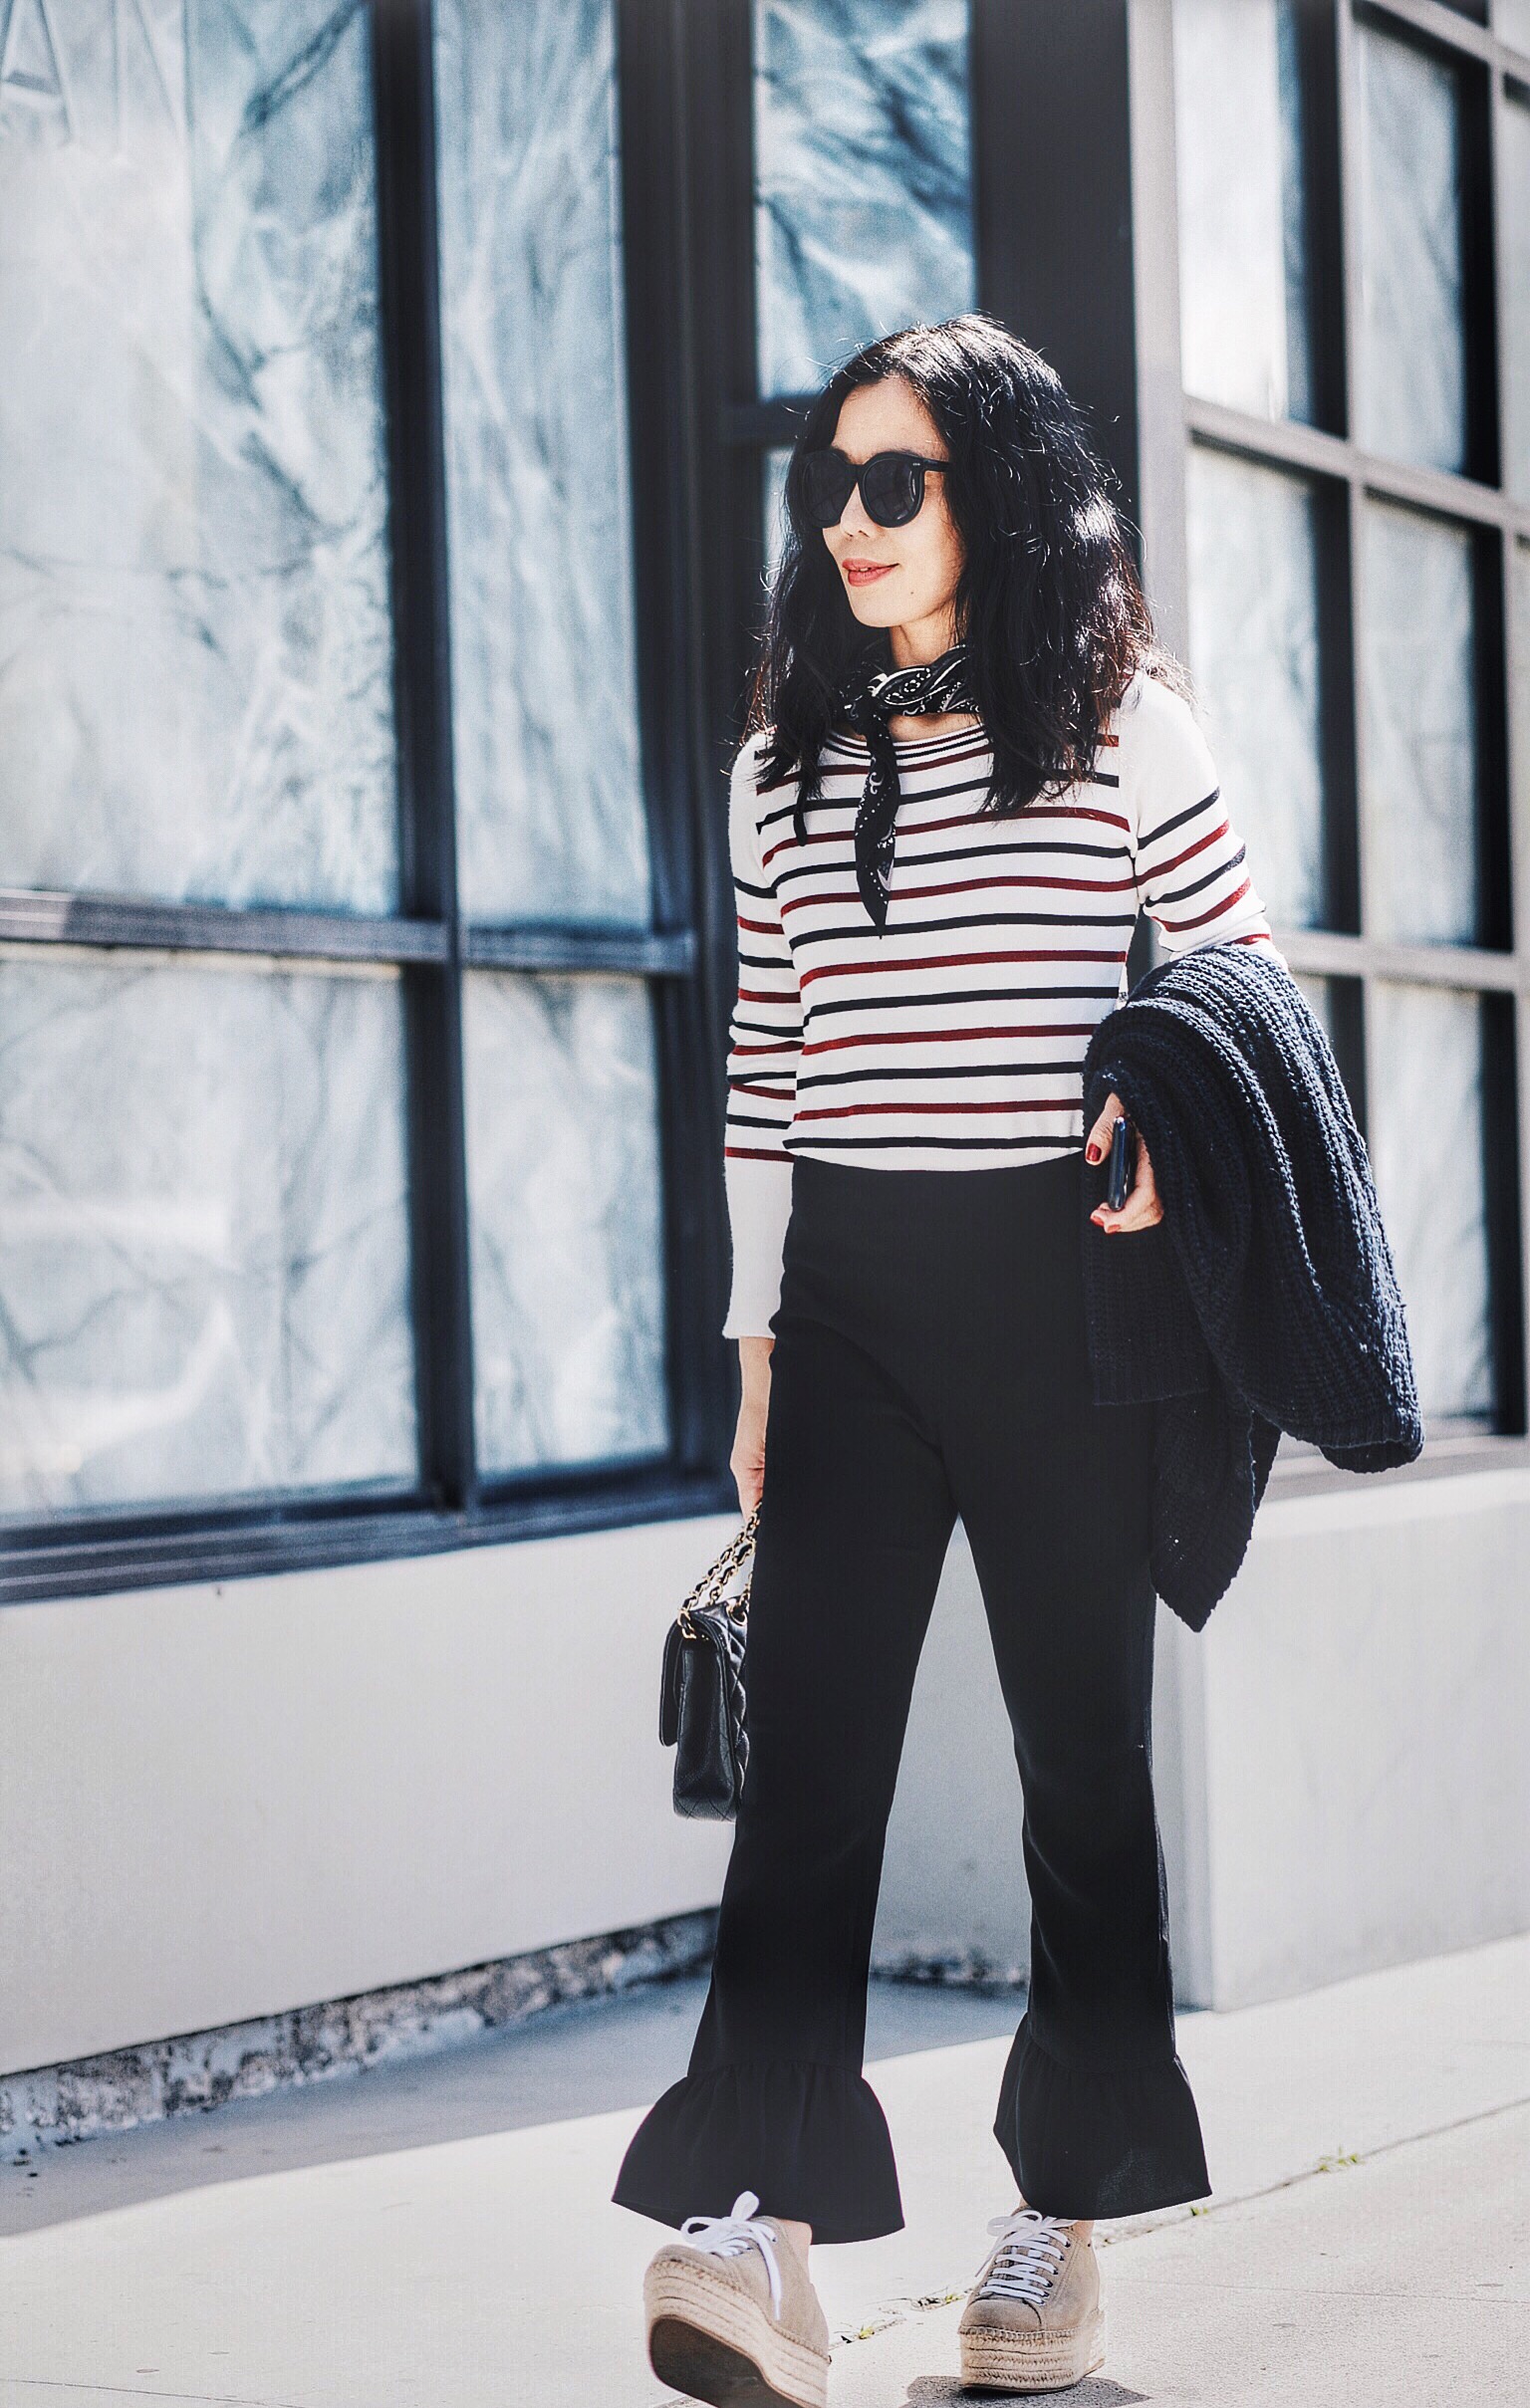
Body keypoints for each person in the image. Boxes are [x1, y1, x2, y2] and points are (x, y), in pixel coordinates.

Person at [613, 312, 1287, 2406]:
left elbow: (1249, 994)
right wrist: (750, 1350)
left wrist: (1166, 1145)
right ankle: (766, 2238)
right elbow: (762, 1069)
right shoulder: (781, 767)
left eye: (896, 480)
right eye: (832, 483)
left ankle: (1056, 2236)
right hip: (854, 1312)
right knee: (808, 1777)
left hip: (1066, 1299)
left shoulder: (1125, 732)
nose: (851, 520)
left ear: (992, 494)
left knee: (1082, 1774)